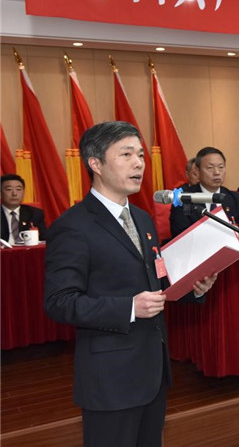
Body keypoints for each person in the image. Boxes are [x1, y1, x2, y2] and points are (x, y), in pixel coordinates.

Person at [43, 121, 217, 447]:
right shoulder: (73, 226)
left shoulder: (142, 218)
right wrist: (129, 308)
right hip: (110, 377)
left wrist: (192, 289)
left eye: (140, 155)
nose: (138, 163)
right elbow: (59, 301)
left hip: (153, 369)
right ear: (95, 163)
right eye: (126, 154)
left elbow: (155, 279)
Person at [169, 146, 239, 237]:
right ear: (197, 171)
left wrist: (236, 234)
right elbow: (180, 233)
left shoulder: (234, 198)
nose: (217, 172)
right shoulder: (184, 199)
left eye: (221, 167)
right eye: (210, 168)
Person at [1, 173, 47, 243]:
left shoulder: (35, 213)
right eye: (9, 189)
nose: (14, 194)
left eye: (18, 189)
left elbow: (44, 238)